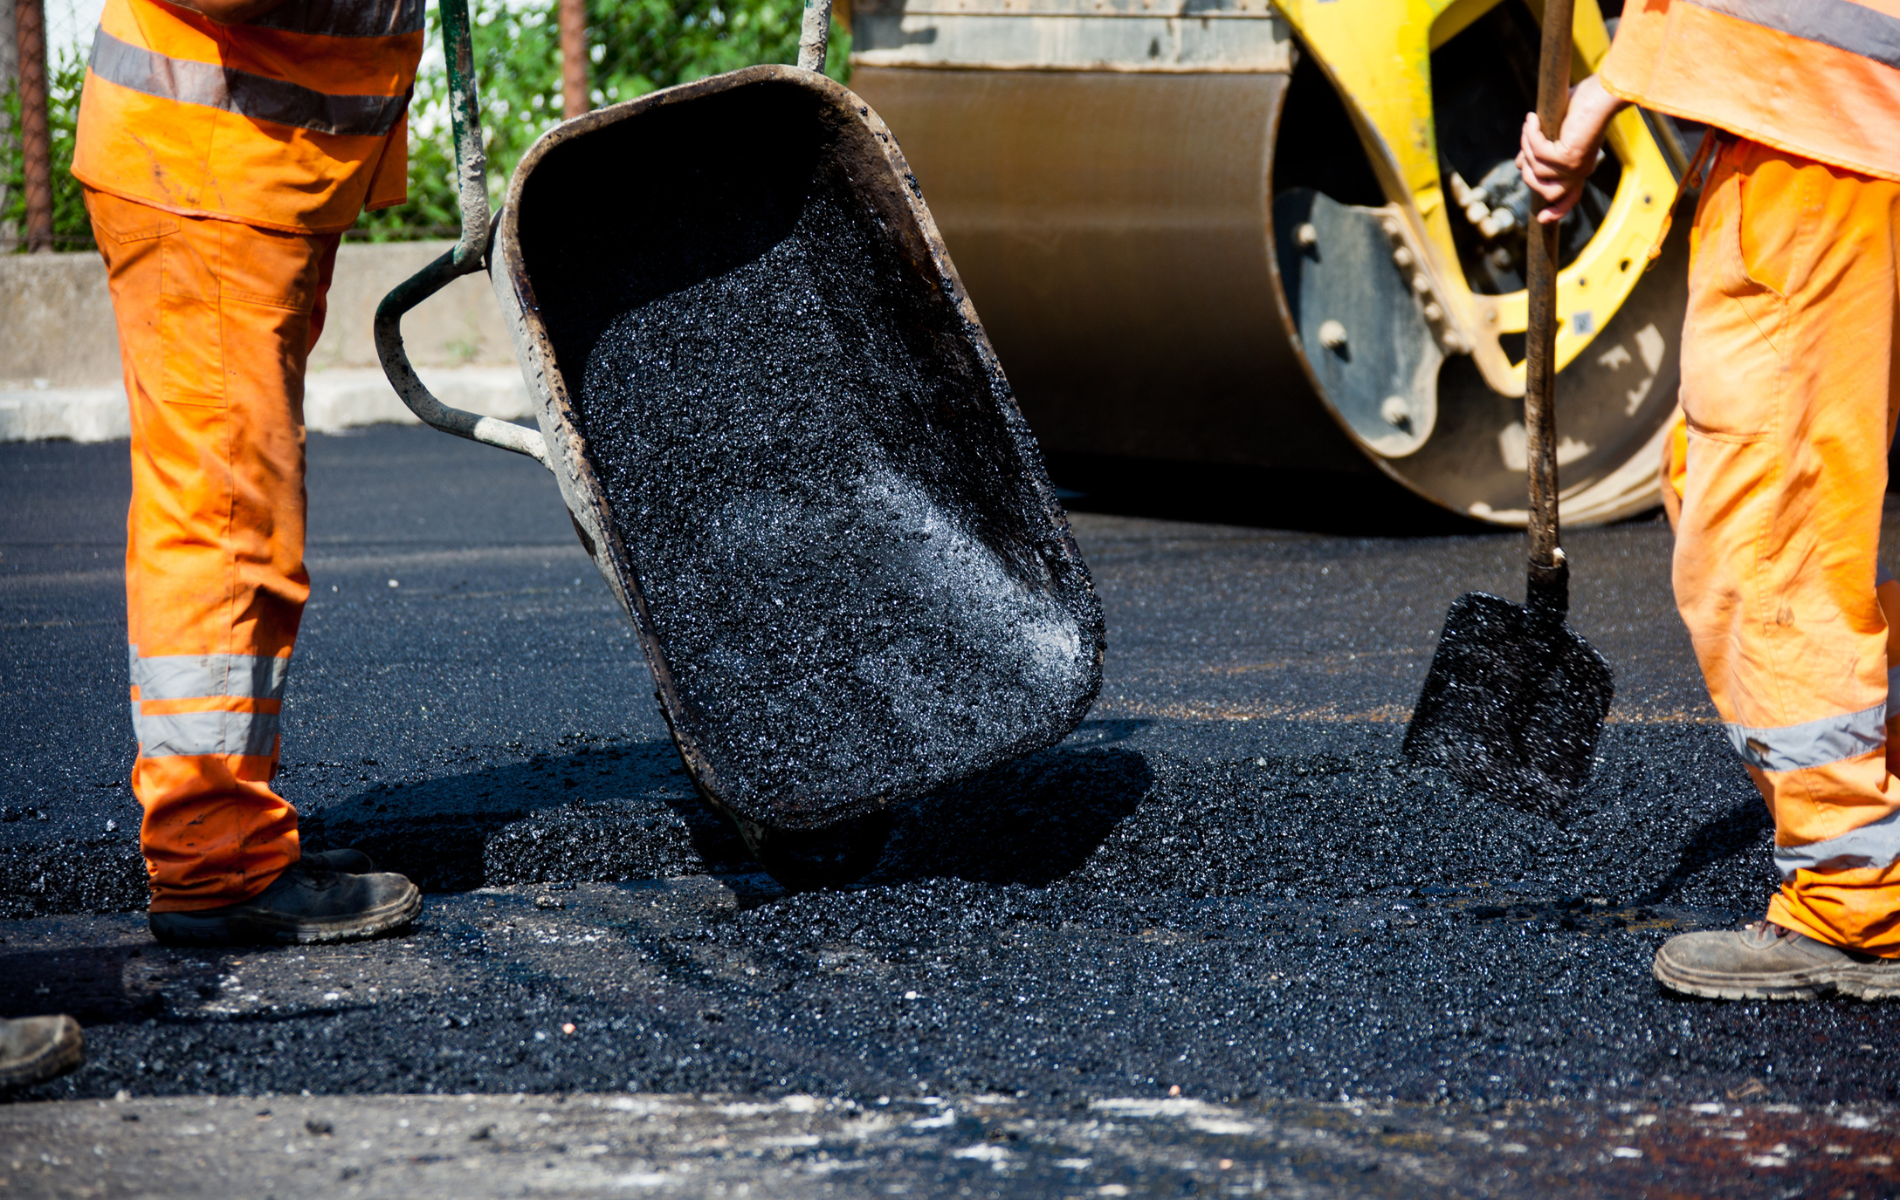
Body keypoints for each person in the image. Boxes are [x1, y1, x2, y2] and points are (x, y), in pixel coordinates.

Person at [1519, 0, 1900, 999]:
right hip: (1851, 121)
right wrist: (1609, 89)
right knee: (1783, 502)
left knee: (1769, 536)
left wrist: (1615, 84)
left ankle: (1853, 906)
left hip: (1820, 130)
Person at [70, 0, 425, 944]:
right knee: (226, 522)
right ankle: (216, 859)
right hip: (209, 168)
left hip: (247, 170)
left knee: (231, 507)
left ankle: (227, 835)